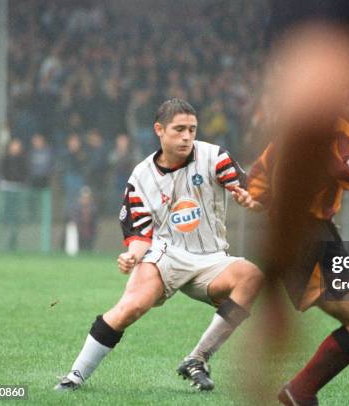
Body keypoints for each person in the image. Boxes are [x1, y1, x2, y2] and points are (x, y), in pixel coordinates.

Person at [55, 98, 263, 392]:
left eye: (192, 129)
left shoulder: (215, 156)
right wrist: (131, 255)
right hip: (166, 255)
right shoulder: (140, 177)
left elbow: (246, 188)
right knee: (131, 307)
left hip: (212, 259)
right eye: (179, 129)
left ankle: (197, 358)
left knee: (252, 275)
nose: (187, 136)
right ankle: (74, 376)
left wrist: (250, 199)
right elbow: (140, 236)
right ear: (159, 130)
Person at [240, 79, 349, 405]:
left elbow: (263, 166)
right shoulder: (336, 128)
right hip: (308, 238)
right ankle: (299, 392)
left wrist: (259, 197)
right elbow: (343, 167)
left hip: (315, 234)